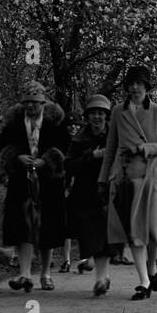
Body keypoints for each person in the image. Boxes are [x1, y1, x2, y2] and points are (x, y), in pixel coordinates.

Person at [99, 64, 157, 300]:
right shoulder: (118, 112)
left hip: (153, 177)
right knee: (134, 230)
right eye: (131, 83)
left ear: (146, 86)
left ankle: (152, 268)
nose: (134, 88)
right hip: (126, 178)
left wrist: (144, 148)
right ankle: (143, 280)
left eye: (139, 83)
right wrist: (103, 179)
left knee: (153, 232)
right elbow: (111, 149)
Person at [0, 81, 71, 292]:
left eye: (35, 103)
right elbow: (2, 145)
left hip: (49, 181)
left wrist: (47, 160)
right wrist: (17, 156)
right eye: (27, 103)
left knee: (46, 228)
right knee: (23, 226)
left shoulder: (55, 122)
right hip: (21, 180)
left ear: (43, 103)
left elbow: (65, 147)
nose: (31, 107)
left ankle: (46, 274)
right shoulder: (14, 123)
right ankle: (25, 274)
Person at [65, 93, 114, 296]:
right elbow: (68, 165)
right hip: (85, 193)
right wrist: (91, 156)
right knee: (90, 236)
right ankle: (101, 276)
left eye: (101, 113)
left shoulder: (115, 136)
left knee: (105, 236)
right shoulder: (79, 139)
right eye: (93, 113)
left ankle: (101, 278)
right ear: (87, 116)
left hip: (109, 192)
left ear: (106, 115)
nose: (97, 117)